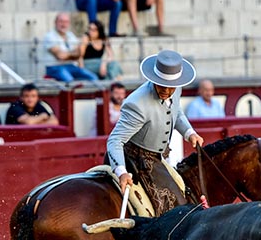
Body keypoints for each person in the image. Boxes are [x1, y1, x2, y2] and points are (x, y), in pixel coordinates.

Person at [107, 49, 203, 214]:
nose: (166, 90)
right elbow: (115, 140)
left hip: (158, 157)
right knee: (171, 209)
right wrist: (122, 172)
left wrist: (189, 132)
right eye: (161, 85)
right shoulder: (137, 104)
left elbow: (177, 112)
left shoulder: (176, 89)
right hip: (135, 159)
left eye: (170, 87)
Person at [42, 12, 98, 82]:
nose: (64, 24)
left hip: (71, 66)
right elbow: (61, 56)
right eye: (61, 21)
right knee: (70, 81)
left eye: (66, 22)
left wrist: (73, 55)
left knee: (93, 78)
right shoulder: (50, 36)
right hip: (54, 67)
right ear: (55, 22)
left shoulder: (71, 35)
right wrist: (74, 54)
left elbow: (79, 53)